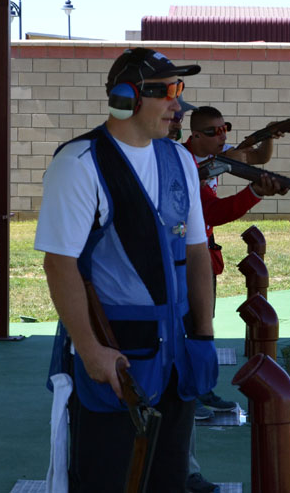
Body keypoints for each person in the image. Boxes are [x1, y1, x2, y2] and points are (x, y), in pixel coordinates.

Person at [36, 48, 217, 493]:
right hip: (114, 363)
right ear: (126, 98)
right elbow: (59, 266)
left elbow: (196, 253)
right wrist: (92, 351)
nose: (178, 104)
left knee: (169, 482)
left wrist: (205, 333)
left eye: (181, 90)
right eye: (168, 92)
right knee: (106, 482)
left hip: (176, 362)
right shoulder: (79, 163)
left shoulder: (180, 162)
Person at [183, 106, 286, 420]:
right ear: (195, 135)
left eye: (224, 128)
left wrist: (268, 136)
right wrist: (255, 191)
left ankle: (202, 390)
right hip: (184, 255)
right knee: (190, 328)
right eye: (214, 131)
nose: (222, 135)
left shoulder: (220, 153)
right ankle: (189, 397)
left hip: (203, 252)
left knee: (203, 323)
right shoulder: (184, 161)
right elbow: (213, 213)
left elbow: (257, 159)